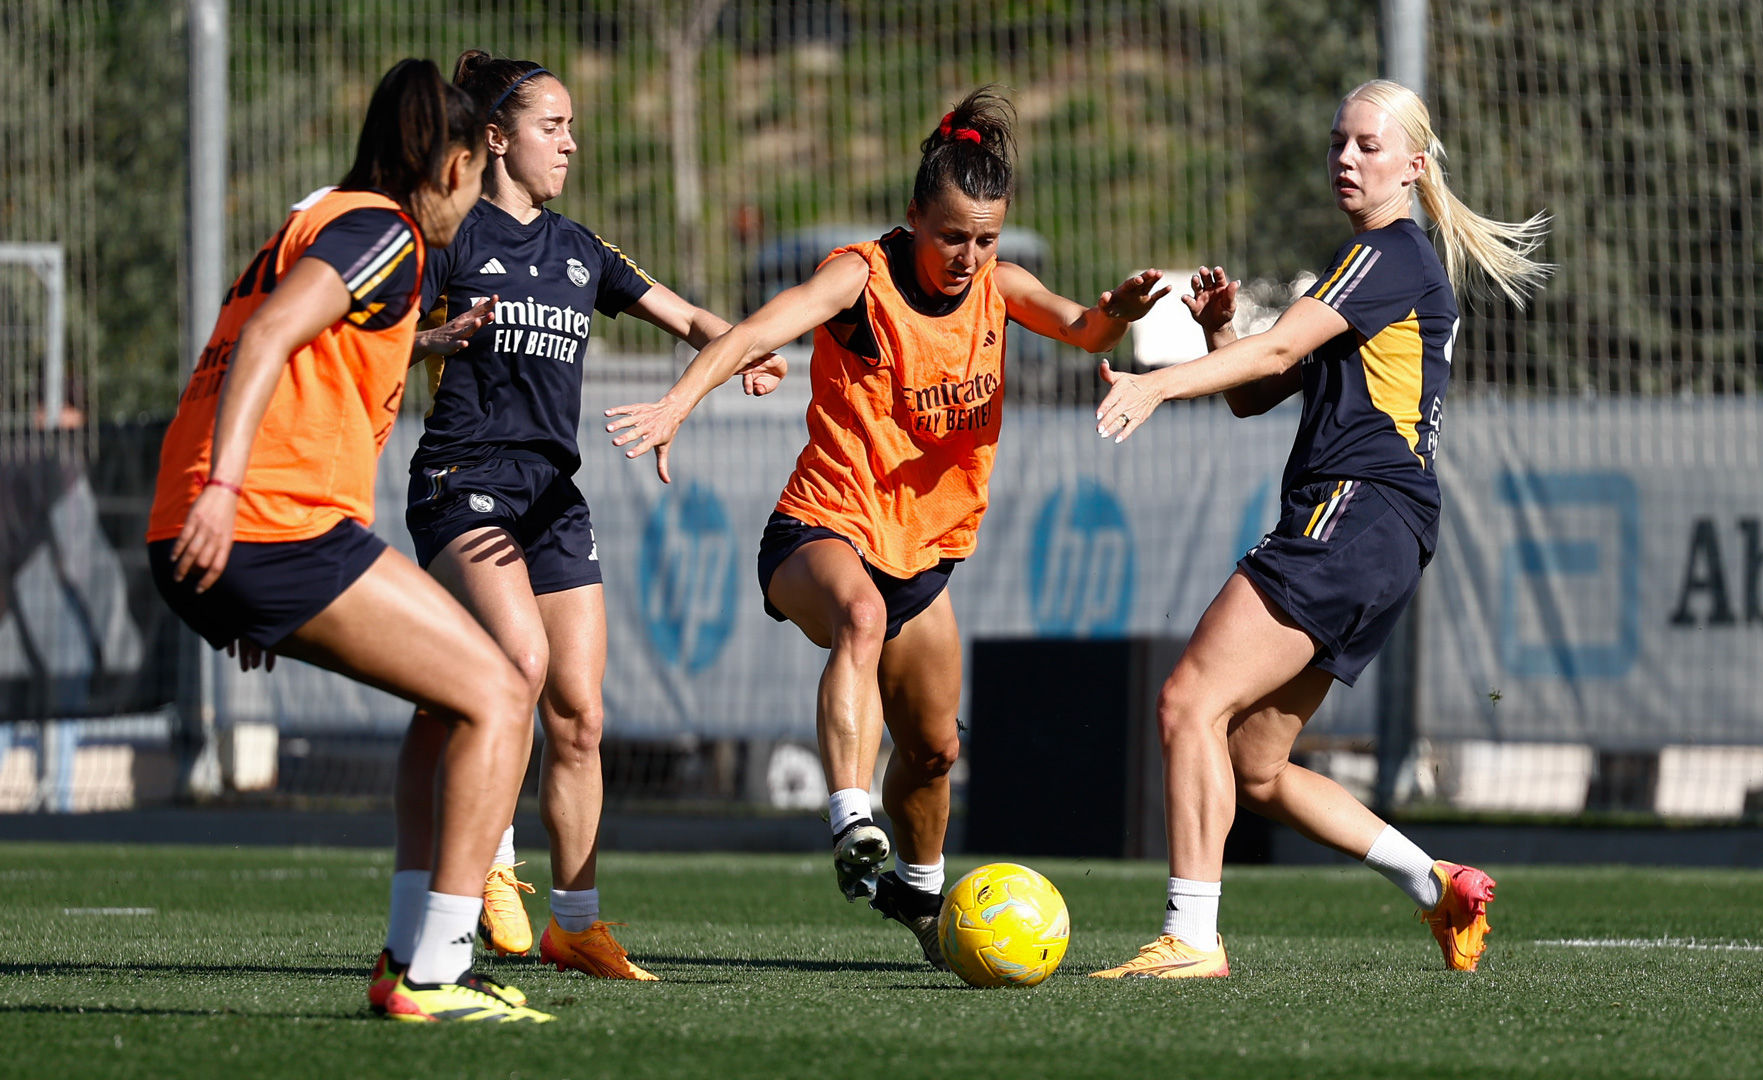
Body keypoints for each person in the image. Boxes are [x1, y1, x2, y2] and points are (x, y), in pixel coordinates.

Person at [604, 87, 1169, 967]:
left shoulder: (1000, 289)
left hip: (920, 557)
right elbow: (759, 328)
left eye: (986, 239)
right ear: (914, 216)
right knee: (861, 619)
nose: (970, 256)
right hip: (817, 530)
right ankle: (849, 816)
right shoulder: (858, 279)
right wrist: (679, 402)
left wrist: (1122, 313)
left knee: (938, 750)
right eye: (953, 237)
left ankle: (917, 886)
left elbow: (1085, 328)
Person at [1087, 79, 1551, 979]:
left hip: (1353, 512)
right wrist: (1220, 333)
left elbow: (1276, 353)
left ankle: (1189, 939)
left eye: (1368, 146)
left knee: (1187, 701)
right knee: (1256, 764)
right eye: (1339, 140)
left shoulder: (1385, 255)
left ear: (1413, 167)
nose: (1346, 156)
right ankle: (1436, 881)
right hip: (1388, 533)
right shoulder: (1386, 266)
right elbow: (1255, 389)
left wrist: (1153, 381)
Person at [147, 59, 553, 1023]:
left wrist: (424, 346)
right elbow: (268, 339)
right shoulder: (391, 233)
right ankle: (434, 976)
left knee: (448, 701)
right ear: (456, 164)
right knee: (502, 693)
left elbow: (303, 334)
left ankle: (406, 957)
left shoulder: (326, 216)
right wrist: (231, 498)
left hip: (226, 533)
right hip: (264, 521)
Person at [386, 50, 785, 983]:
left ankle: (577, 923)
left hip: (552, 495)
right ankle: (485, 863)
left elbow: (688, 318)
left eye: (570, 126)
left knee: (581, 715)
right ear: (496, 139)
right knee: (516, 671)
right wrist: (434, 339)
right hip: (463, 479)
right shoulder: (449, 233)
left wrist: (743, 352)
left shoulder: (578, 249)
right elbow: (366, 334)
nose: (570, 141)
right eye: (550, 126)